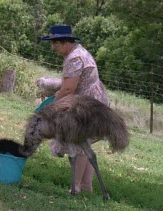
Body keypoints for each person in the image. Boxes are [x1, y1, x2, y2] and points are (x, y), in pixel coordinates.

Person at [40, 25, 110, 193]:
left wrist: (53, 105)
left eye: (55, 44)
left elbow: (68, 89)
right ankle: (86, 186)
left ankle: (76, 188)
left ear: (65, 42)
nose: (53, 48)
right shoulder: (81, 52)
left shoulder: (74, 58)